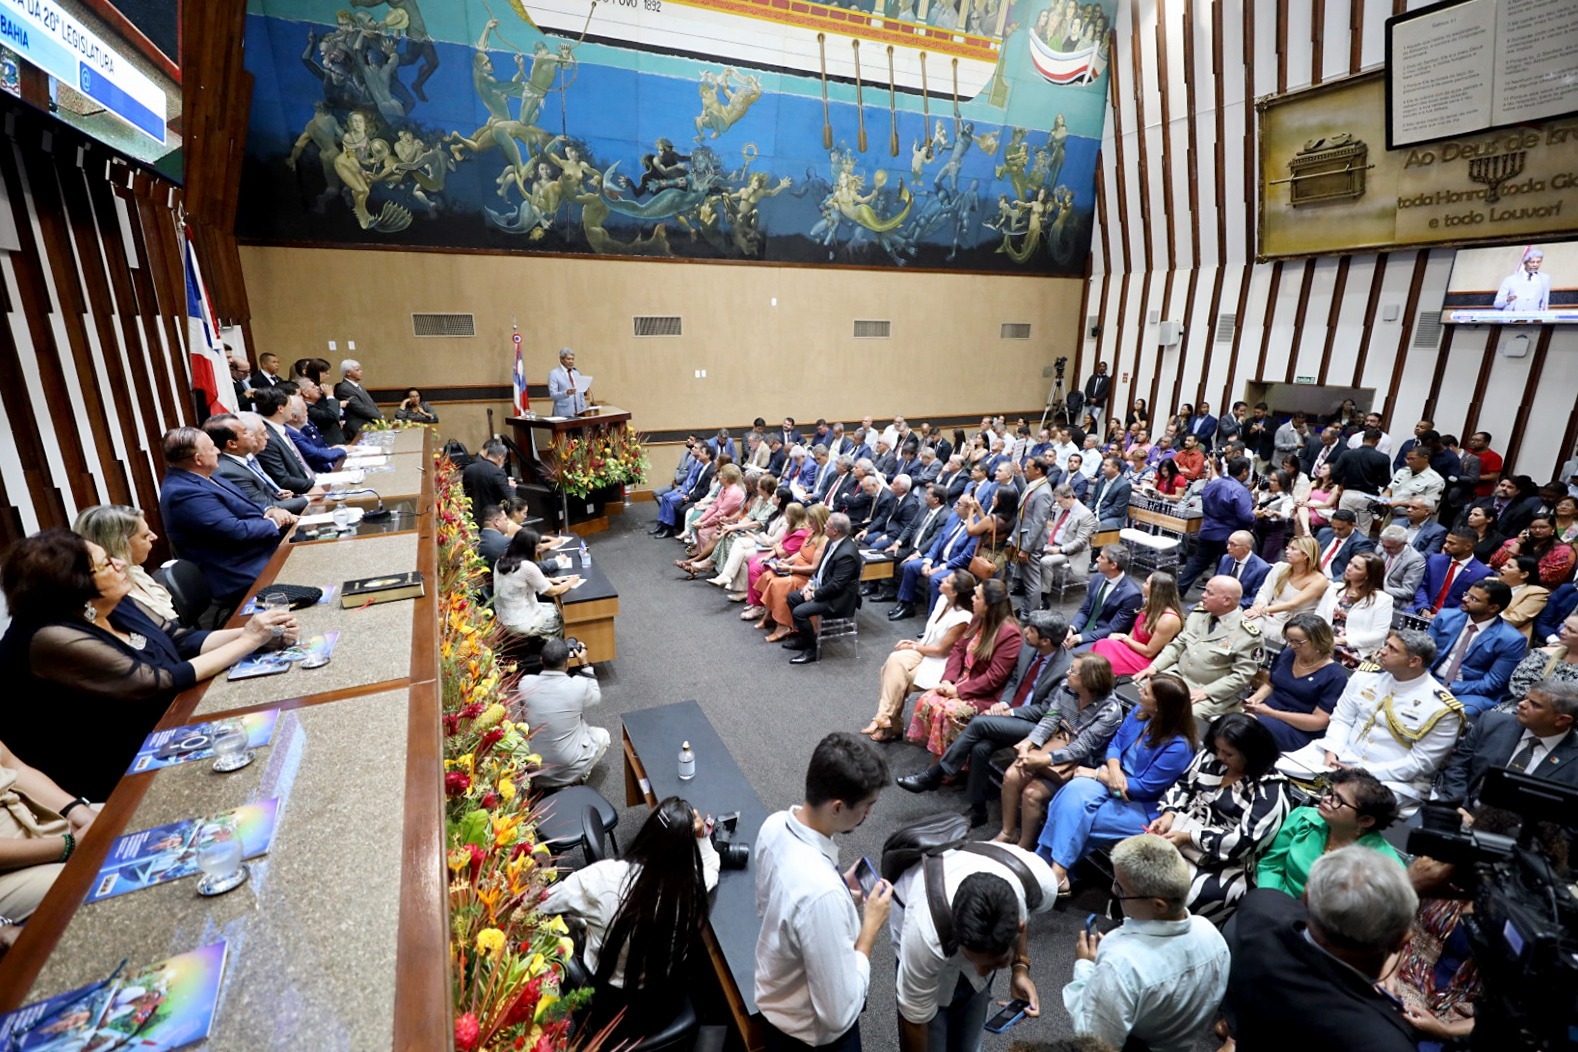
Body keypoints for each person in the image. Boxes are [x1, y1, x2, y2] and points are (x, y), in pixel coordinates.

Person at [0, 530, 297, 800]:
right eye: (105, 564)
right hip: (111, 769)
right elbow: (158, 682)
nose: (119, 563)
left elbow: (182, 640)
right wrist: (249, 641)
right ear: (74, 584)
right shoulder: (50, 637)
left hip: (169, 724)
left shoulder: (113, 602)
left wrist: (257, 633)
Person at [540, 796, 718, 1045]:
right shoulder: (690, 892)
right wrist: (703, 834)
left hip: (603, 1002)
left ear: (647, 831)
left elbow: (543, 903)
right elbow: (711, 866)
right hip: (656, 1007)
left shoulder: (602, 877)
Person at [755, 733, 892, 1052]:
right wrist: (869, 930)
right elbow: (838, 1013)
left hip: (774, 1004)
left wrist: (842, 889)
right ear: (838, 807)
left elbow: (771, 908)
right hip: (810, 1037)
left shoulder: (774, 826)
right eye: (868, 806)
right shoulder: (821, 894)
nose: (869, 814)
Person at [1225, 847, 1419, 1052]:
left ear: (1306, 896)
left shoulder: (1258, 915)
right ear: (1402, 941)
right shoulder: (1385, 1041)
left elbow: (1278, 905)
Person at [896, 613, 1080, 828]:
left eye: (1030, 631)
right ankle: (978, 810)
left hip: (1038, 726)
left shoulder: (1066, 669)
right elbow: (1014, 679)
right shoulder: (1029, 647)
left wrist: (1010, 713)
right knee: (980, 748)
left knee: (980, 723)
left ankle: (935, 774)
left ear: (1046, 641)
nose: (1025, 633)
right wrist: (1004, 703)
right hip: (1011, 712)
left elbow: (1045, 711)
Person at [1060, 834, 1230, 1052]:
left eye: (1122, 890)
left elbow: (1095, 1042)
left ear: (1158, 905)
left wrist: (1086, 969)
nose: (1113, 891)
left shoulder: (1120, 964)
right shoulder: (1212, 935)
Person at [1034, 673, 1198, 895]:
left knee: (1081, 818)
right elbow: (1115, 745)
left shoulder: (1179, 746)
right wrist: (1112, 769)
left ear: (1160, 706)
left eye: (1146, 691)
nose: (1139, 691)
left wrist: (1098, 774)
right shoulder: (1140, 715)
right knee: (1070, 794)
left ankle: (1044, 869)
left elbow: (1145, 788)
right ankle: (1058, 874)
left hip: (1140, 803)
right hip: (1113, 779)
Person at [891, 838, 1056, 1052]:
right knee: (932, 1034)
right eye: (974, 960)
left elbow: (1024, 915)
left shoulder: (1039, 881)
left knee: (968, 1040)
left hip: (966, 931)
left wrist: (1020, 968)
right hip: (919, 915)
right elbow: (913, 1017)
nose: (980, 972)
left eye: (994, 963)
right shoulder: (924, 935)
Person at [1284, 630, 1464, 815]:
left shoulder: (1442, 708)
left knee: (1353, 803)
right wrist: (1332, 751)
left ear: (1414, 662)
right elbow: (1342, 718)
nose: (1382, 651)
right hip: (1340, 757)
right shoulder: (1365, 676)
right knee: (1282, 768)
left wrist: (1363, 772)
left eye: (1392, 649)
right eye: (1386, 644)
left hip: (1392, 780)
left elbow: (1420, 763)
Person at [1146, 713, 1289, 920]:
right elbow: (1183, 785)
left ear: (1251, 753)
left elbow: (1245, 842)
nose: (1220, 756)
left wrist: (1190, 837)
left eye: (1228, 753)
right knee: (1136, 867)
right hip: (1180, 835)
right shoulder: (1211, 757)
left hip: (1227, 862)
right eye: (1218, 749)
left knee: (1176, 894)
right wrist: (1169, 813)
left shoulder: (1270, 790)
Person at [992, 652, 1124, 848]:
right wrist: (1028, 743)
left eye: (1073, 671)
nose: (1067, 672)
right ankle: (1007, 832)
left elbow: (1082, 748)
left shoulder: (1109, 711)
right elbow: (1050, 718)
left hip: (1082, 763)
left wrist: (1043, 760)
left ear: (1089, 680)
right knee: (1012, 775)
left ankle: (1024, 846)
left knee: (1032, 794)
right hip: (1056, 743)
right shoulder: (1066, 688)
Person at [157, 427, 295, 605]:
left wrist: (269, 510)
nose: (218, 451)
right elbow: (235, 531)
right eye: (213, 447)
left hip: (261, 552)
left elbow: (243, 505)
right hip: (240, 571)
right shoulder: (182, 493)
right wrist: (275, 522)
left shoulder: (205, 475)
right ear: (198, 459)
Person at [906, 580, 1023, 754]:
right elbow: (958, 650)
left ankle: (948, 764)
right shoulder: (978, 617)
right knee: (928, 699)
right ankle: (942, 754)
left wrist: (959, 691)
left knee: (949, 710)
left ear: (989, 605)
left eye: (977, 597)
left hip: (985, 692)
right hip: (960, 680)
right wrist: (947, 680)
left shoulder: (1010, 633)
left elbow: (994, 677)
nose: (972, 599)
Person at [863, 570, 977, 742]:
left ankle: (888, 724)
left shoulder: (963, 617)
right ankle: (884, 717)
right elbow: (930, 636)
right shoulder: (942, 600)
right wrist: (915, 645)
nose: (941, 580)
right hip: (925, 650)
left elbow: (942, 651)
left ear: (954, 591)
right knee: (895, 660)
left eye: (947, 580)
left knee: (901, 678)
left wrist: (915, 646)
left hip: (941, 663)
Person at [1254, 767, 1404, 897]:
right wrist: (1270, 902)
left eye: (1338, 800)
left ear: (1365, 820)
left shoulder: (1386, 865)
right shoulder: (1303, 817)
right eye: (1330, 792)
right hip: (1278, 901)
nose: (1326, 799)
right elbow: (1271, 866)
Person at [1433, 678, 1578, 808]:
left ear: (1562, 720)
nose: (1522, 704)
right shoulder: (1491, 723)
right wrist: (1461, 806)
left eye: (1535, 705)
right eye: (1525, 698)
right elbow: (1458, 765)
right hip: (1463, 808)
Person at [0, 737, 102, 922]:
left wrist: (75, 810)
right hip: (8, 871)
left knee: (135, 817)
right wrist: (69, 846)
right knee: (97, 878)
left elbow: (13, 766)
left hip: (36, 819)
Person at [1133, 575, 1262, 720]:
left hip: (1209, 691)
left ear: (1226, 600)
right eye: (1205, 591)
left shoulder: (1248, 635)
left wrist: (1207, 691)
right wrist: (1155, 667)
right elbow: (1178, 644)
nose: (1203, 595)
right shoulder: (1198, 615)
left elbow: (1241, 676)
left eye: (1209, 593)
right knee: (1139, 689)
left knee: (1181, 716)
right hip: (1177, 677)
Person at [1243, 612, 1347, 752]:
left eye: (1298, 642)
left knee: (1242, 729)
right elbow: (1271, 684)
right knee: (1232, 725)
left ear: (1318, 641)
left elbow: (1320, 722)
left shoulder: (1334, 676)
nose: (1292, 645)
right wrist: (1255, 699)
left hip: (1296, 728)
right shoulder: (1288, 654)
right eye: (1289, 640)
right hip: (1263, 713)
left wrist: (1271, 713)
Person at [512, 639, 606, 787]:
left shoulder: (525, 684)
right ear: (567, 663)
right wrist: (585, 664)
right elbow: (595, 698)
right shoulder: (578, 685)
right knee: (603, 736)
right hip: (568, 764)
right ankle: (575, 778)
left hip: (536, 767)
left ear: (542, 659)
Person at [72, 505, 177, 622]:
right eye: (145, 535)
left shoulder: (134, 571)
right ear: (120, 544)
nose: (154, 537)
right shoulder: (111, 601)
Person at [785, 513, 862, 665]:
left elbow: (836, 586)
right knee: (792, 598)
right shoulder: (832, 542)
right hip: (825, 589)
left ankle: (812, 651)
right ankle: (804, 639)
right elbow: (821, 568)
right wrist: (810, 584)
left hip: (839, 600)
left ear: (835, 531)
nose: (824, 527)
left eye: (827, 525)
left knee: (799, 612)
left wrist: (814, 594)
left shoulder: (847, 554)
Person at [1176, 455, 1255, 594]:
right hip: (1229, 535)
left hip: (1208, 529)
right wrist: (1256, 515)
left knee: (1197, 563)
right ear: (1244, 472)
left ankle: (1178, 590)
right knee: (1223, 567)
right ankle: (1214, 595)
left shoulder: (1212, 484)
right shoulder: (1240, 490)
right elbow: (1246, 517)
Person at [755, 505, 830, 641]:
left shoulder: (824, 540)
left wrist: (790, 569)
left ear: (820, 521)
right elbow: (801, 554)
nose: (808, 524)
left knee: (778, 585)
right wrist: (787, 562)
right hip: (795, 569)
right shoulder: (811, 533)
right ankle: (769, 616)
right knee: (767, 576)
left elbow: (814, 568)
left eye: (812, 521)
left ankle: (783, 625)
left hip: (807, 578)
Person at [1089, 570, 1183, 676]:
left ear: (1156, 590)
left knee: (1103, 654)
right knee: (1104, 644)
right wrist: (1121, 643)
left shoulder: (1168, 620)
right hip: (1134, 649)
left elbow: (1149, 652)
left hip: (1146, 660)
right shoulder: (1149, 604)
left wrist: (1124, 639)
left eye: (1147, 583)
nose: (1143, 585)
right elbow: (1134, 633)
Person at [1244, 535, 1328, 646]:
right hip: (1268, 615)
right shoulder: (1280, 567)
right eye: (1288, 548)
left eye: (1293, 549)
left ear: (1305, 555)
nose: (1287, 551)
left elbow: (1293, 604)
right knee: (1244, 620)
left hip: (1292, 624)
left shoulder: (1319, 580)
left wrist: (1262, 610)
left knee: (1252, 624)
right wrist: (1259, 606)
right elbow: (1264, 592)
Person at [493, 529, 575, 642]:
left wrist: (550, 579)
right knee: (563, 617)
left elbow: (518, 580)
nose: (538, 551)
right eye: (537, 548)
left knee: (552, 608)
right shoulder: (527, 566)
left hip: (504, 619)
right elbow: (552, 592)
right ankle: (556, 652)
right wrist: (571, 582)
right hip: (522, 622)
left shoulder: (500, 561)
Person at [1317, 550, 1394, 666]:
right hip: (1324, 639)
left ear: (1368, 575)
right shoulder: (1335, 588)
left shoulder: (1382, 599)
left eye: (1356, 567)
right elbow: (1319, 616)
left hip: (1355, 648)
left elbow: (1379, 634)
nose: (1349, 568)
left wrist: (1343, 640)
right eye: (1350, 563)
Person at [1034, 483, 1098, 603]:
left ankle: (1044, 596)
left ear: (1069, 497)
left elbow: (1080, 542)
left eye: (1060, 501)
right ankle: (1030, 587)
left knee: (1045, 561)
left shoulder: (1085, 515)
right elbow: (1055, 529)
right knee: (1029, 550)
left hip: (1071, 552)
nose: (1058, 504)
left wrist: (1060, 550)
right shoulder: (1061, 508)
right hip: (1053, 544)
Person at [1413, 528, 1493, 617]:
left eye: (1452, 543)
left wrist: (1444, 616)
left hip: (1453, 618)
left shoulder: (1482, 573)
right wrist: (1423, 608)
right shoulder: (1435, 560)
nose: (1445, 546)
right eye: (1446, 541)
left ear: (1468, 546)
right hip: (1422, 611)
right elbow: (1422, 587)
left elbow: (1472, 602)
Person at [1488, 513, 1577, 587]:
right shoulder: (1516, 542)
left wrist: (1514, 575)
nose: (1537, 530)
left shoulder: (1564, 551)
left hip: (1539, 588)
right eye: (1533, 527)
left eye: (1543, 527)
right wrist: (1517, 544)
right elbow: (1495, 563)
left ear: (1553, 529)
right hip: (1507, 580)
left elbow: (1547, 578)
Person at [462, 440, 516, 522]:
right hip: (490, 517)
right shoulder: (498, 472)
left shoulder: (469, 469)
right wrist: (511, 487)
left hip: (471, 515)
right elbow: (509, 498)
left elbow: (466, 492)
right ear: (501, 457)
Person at [1377, 523, 1428, 604]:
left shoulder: (1415, 560)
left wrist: (1379, 589)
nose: (1386, 550)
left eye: (1391, 548)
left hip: (1393, 600)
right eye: (1384, 546)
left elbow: (1408, 592)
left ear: (1404, 543)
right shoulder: (1380, 548)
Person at [334, 358, 382, 439]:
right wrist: (379, 416)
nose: (361, 372)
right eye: (357, 370)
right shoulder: (344, 388)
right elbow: (359, 408)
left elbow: (370, 404)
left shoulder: (357, 386)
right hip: (358, 426)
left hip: (369, 424)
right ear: (348, 372)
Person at [1493, 247, 1550, 311]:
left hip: (1533, 318)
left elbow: (1545, 303)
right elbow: (1496, 304)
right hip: (1512, 318)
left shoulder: (1545, 278)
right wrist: (1507, 300)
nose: (1535, 265)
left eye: (1538, 262)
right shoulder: (1509, 280)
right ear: (1525, 263)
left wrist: (1542, 319)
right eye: (1532, 262)